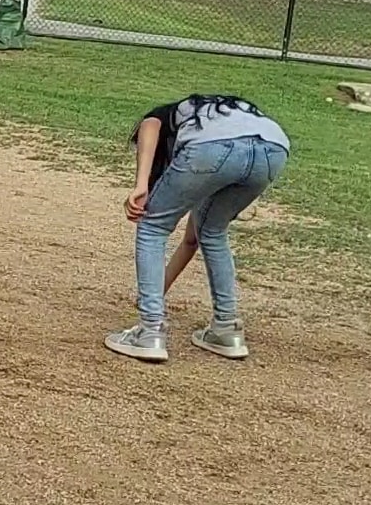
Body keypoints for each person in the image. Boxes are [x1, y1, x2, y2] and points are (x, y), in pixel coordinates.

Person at [107, 95, 290, 364]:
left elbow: (150, 123)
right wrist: (156, 291)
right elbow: (192, 240)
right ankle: (226, 330)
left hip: (213, 149)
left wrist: (141, 184)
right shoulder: (215, 115)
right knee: (213, 231)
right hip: (273, 149)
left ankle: (149, 332)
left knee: (152, 226)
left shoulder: (173, 118)